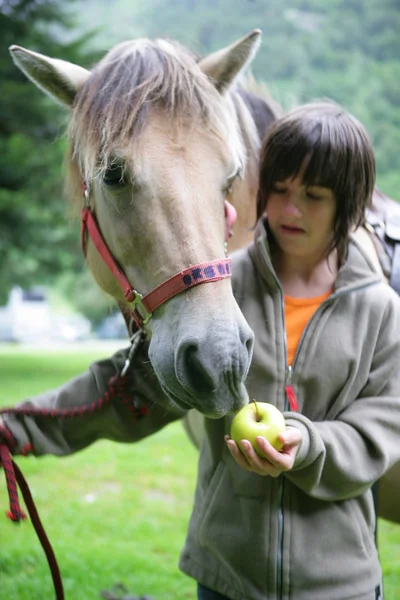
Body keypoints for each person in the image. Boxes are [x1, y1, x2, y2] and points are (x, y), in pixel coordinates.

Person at [1, 101, 400, 600]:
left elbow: (379, 429)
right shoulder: (215, 292)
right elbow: (131, 388)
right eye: (278, 190)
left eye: (313, 196)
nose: (290, 209)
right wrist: (18, 425)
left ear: (349, 204)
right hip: (225, 578)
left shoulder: (381, 310)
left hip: (341, 585)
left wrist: (306, 446)